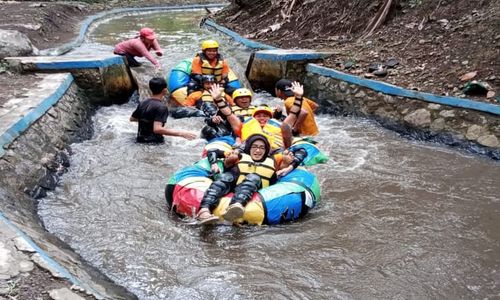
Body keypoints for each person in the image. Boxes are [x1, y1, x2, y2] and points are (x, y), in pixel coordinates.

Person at [197, 133, 307, 225]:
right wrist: (214, 164)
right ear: (249, 147)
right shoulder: (238, 155)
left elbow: (302, 151)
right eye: (254, 147)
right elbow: (212, 151)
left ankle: (236, 207)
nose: (258, 150)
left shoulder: (274, 159)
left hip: (258, 189)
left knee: (253, 177)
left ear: (266, 150)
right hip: (232, 184)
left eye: (262, 148)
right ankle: (204, 211)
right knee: (225, 177)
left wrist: (289, 166)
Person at [208, 81, 307, 151]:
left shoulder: (280, 126)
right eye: (259, 116)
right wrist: (218, 99)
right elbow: (229, 114)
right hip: (250, 153)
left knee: (286, 128)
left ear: (270, 117)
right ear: (254, 118)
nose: (262, 118)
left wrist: (298, 97)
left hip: (276, 153)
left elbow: (293, 114)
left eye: (265, 115)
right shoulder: (243, 126)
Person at [130, 77, 197, 143]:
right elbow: (157, 129)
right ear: (164, 90)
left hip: (140, 140)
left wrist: (148, 121)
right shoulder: (161, 107)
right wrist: (181, 134)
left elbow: (132, 118)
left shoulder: (143, 102)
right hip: (154, 144)